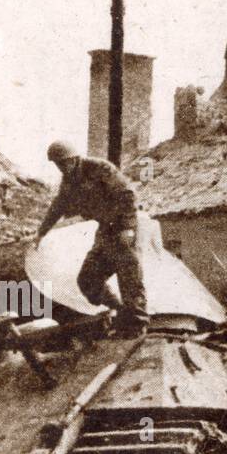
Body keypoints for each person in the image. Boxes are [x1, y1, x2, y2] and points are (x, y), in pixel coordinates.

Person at [36, 140, 149, 336]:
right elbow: (58, 206)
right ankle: (121, 312)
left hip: (124, 227)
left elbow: (127, 195)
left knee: (129, 278)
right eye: (57, 164)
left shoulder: (100, 168)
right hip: (105, 231)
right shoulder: (68, 182)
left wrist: (128, 228)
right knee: (87, 279)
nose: (61, 168)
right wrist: (41, 232)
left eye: (63, 163)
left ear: (74, 159)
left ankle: (137, 327)